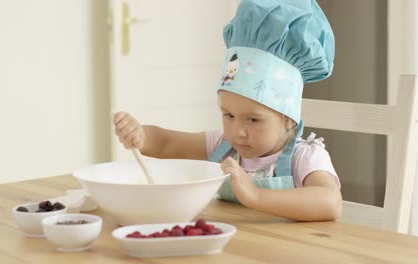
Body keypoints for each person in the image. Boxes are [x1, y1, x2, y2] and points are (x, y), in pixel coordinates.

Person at [113, 0, 342, 221]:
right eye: (228, 115)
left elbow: (330, 203)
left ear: (288, 119)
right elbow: (166, 143)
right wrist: (140, 135)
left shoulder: (304, 157)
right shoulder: (223, 147)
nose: (237, 131)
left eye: (252, 120)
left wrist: (256, 195)